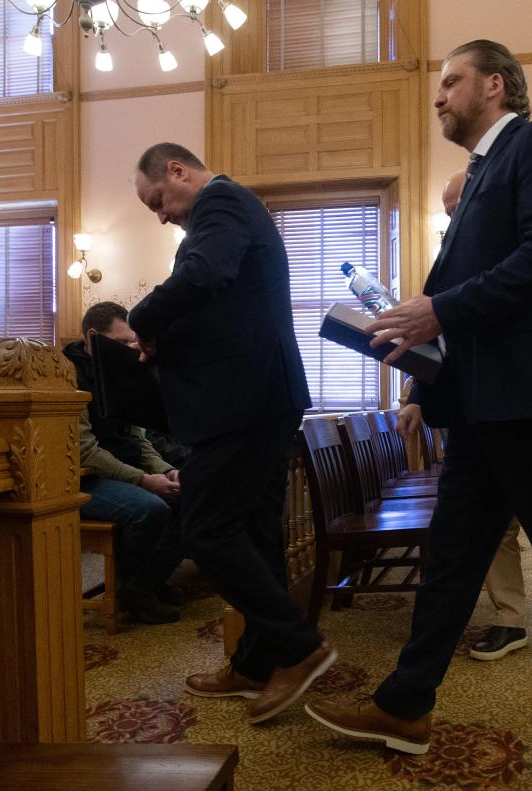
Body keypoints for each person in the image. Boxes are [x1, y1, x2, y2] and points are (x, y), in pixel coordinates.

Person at [305, 40, 532, 777]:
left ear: (495, 85)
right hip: (485, 405)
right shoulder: (482, 175)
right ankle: (406, 702)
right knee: (454, 560)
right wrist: (420, 351)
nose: (438, 95)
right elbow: (474, 298)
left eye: (451, 81)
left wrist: (439, 313)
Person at [129, 141, 333, 726]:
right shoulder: (228, 210)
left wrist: (141, 322)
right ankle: (254, 662)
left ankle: (300, 647)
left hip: (244, 403)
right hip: (254, 398)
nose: (162, 214)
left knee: (207, 527)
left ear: (177, 170)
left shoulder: (222, 203)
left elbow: (206, 274)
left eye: (158, 201)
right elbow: (219, 301)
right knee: (256, 532)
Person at [399, 169, 529, 662]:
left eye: (459, 208)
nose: (452, 218)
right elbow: (440, 344)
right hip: (468, 416)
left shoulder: (506, 249)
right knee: (487, 527)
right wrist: (415, 398)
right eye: (448, 212)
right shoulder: (453, 258)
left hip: (521, 409)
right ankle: (507, 620)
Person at [64, 302, 186, 622]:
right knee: (152, 508)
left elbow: (137, 438)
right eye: (121, 342)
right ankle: (134, 589)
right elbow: (86, 452)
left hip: (123, 471)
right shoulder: (67, 375)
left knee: (193, 496)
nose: (130, 348)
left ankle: (146, 583)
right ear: (92, 336)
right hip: (86, 478)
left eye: (132, 341)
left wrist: (166, 470)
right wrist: (144, 480)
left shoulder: (119, 368)